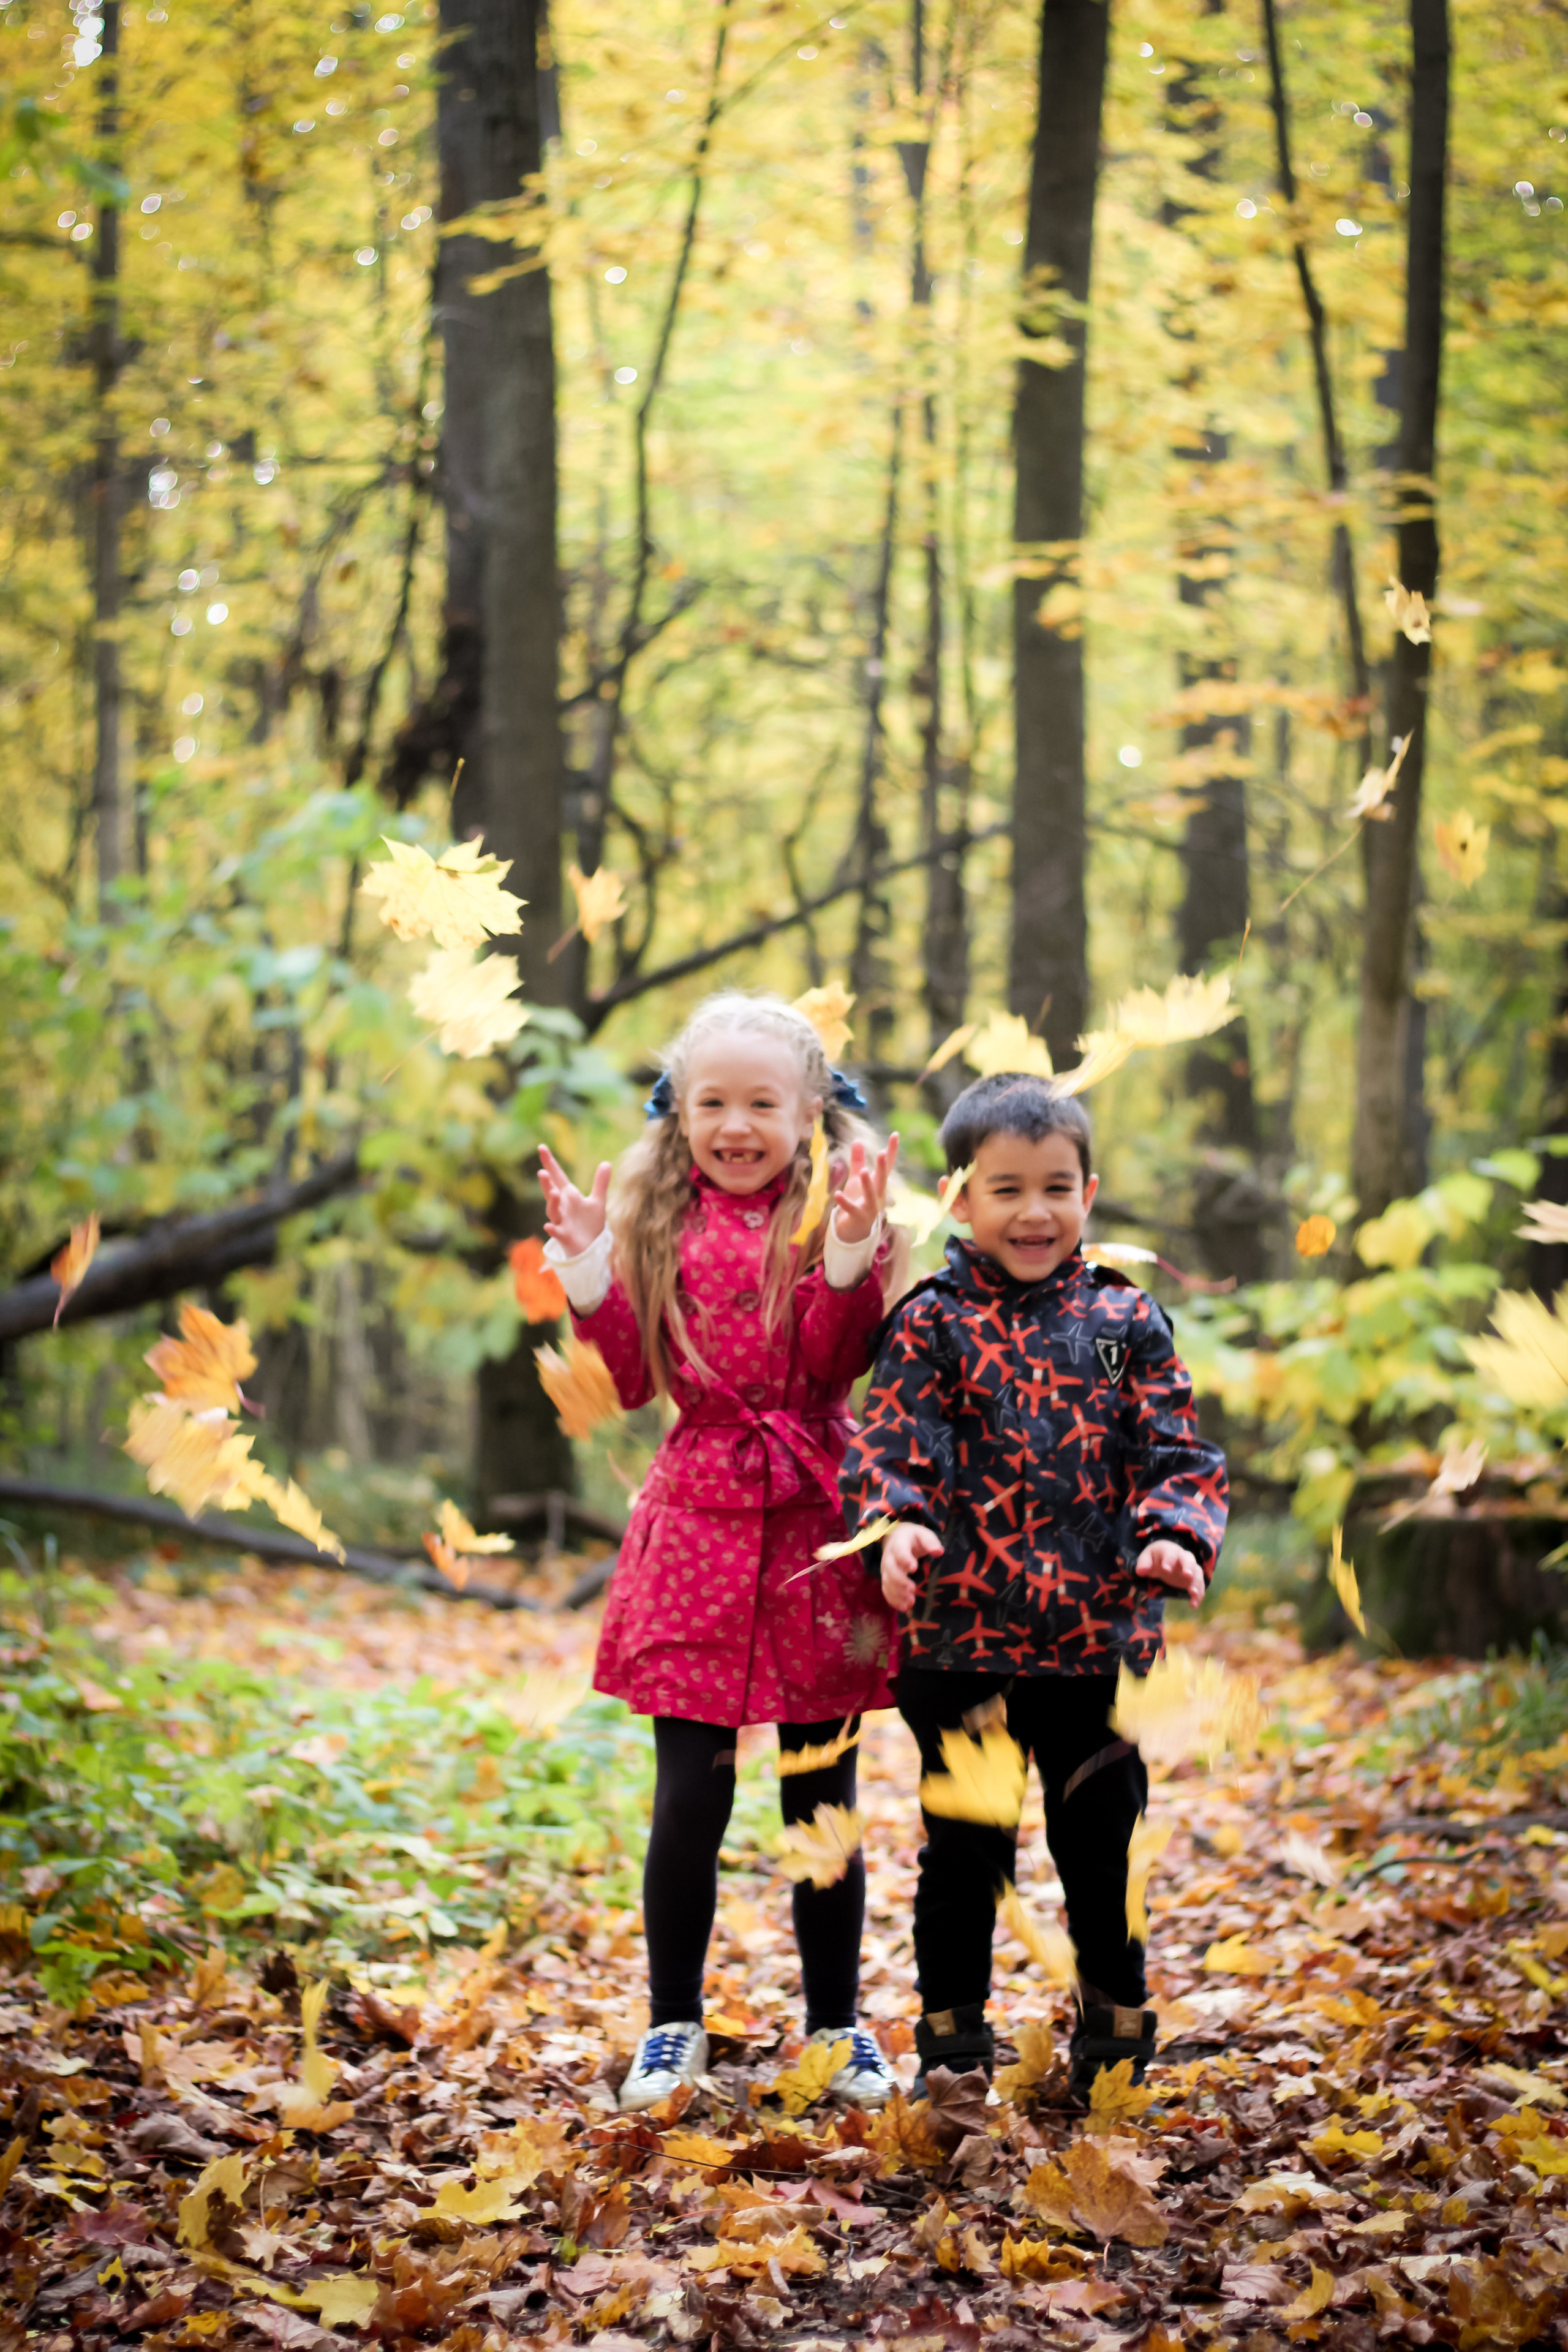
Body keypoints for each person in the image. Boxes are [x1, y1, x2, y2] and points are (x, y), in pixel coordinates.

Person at [538, 990, 905, 2113]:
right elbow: (635, 1382)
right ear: (679, 1112)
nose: (735, 1125)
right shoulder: (656, 1217)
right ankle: (672, 2025)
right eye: (713, 1103)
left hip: (814, 1521)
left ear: (808, 1114)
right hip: (696, 1521)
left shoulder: (839, 1214)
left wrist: (850, 1248)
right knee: (687, 1799)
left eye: (761, 1104)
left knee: (819, 1792)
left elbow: (844, 1362)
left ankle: (838, 2026)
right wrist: (593, 1270)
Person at [839, 1071, 1228, 2099]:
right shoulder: (931, 1323)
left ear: (1088, 1195)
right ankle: (955, 2055)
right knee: (966, 1855)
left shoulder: (1121, 1319)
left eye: (1056, 1187)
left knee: (1101, 1850)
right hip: (958, 1644)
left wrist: (1174, 1536)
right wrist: (897, 1527)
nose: (1034, 1211)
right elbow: (889, 1447)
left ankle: (1116, 2046)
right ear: (960, 1199)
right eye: (1006, 1189)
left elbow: (1174, 1449)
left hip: (1097, 1643)